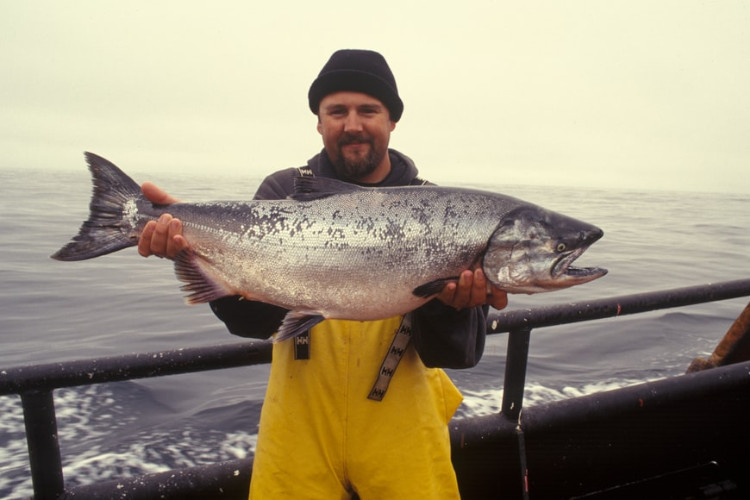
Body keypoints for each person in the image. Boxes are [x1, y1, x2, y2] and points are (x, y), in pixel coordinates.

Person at [138, 49, 508, 499]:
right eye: (337, 111)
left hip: (403, 430)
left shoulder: (443, 212)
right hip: (300, 427)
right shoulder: (284, 193)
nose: (352, 124)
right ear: (319, 121)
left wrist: (452, 306)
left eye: (368, 110)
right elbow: (249, 323)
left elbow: (458, 355)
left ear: (392, 121)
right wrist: (189, 248)